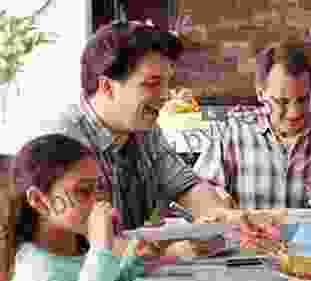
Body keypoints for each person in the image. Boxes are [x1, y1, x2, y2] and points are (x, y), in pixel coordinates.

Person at [34, 20, 276, 255]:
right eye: (152, 84)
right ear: (107, 87)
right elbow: (80, 243)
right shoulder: (61, 140)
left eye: (167, 83)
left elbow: (186, 186)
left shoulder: (144, 129)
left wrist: (222, 216)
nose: (165, 96)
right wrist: (173, 250)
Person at [8, 134, 158, 281]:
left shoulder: (74, 249)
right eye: (83, 191)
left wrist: (133, 263)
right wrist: (101, 249)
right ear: (38, 200)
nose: (99, 202)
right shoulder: (33, 268)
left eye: (99, 188)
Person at [193, 39, 311, 209]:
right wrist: (217, 200)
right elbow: (199, 194)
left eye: (302, 100)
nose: (294, 113)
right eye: (281, 102)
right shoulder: (231, 132)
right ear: (261, 93)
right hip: (250, 244)